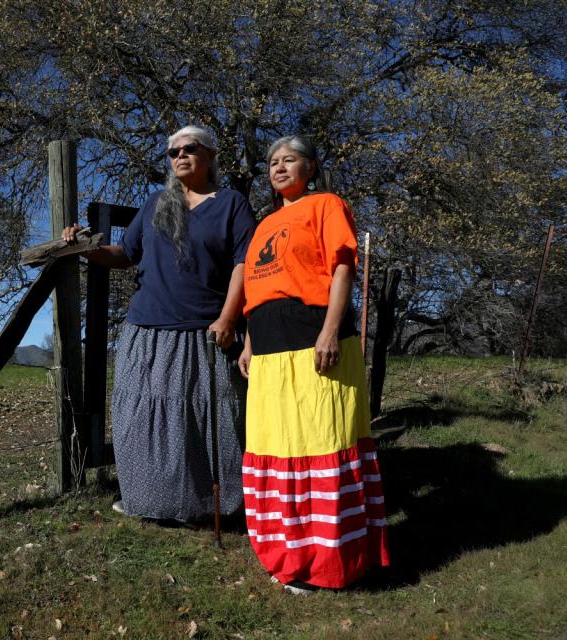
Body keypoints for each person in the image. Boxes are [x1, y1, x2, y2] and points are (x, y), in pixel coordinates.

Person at [62, 125, 256, 522]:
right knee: (144, 418)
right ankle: (150, 501)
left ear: (210, 156)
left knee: (209, 418)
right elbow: (125, 254)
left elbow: (245, 263)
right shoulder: (156, 204)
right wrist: (86, 246)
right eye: (172, 152)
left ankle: (219, 505)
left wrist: (229, 316)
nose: (180, 156)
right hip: (147, 329)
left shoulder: (231, 204)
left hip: (204, 330)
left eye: (190, 148)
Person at [238, 135, 390, 592]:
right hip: (267, 350)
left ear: (311, 167)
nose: (278, 168)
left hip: (312, 342)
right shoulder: (264, 224)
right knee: (278, 445)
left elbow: (343, 267)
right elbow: (257, 289)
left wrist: (330, 329)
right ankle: (287, 550)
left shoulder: (326, 205)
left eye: (289, 160)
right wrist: (248, 341)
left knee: (319, 438)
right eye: (272, 163)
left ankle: (327, 560)